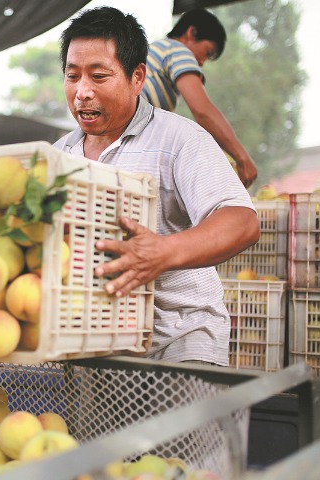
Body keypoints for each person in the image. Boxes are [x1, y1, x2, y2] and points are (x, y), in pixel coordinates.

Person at [55, 6, 260, 365]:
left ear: (137, 78)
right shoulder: (59, 157)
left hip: (180, 343)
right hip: (93, 346)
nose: (82, 92)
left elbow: (242, 222)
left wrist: (163, 253)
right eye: (72, 77)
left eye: (99, 76)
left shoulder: (180, 139)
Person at [141, 9, 258, 188]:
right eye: (208, 52)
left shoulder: (156, 50)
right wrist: (242, 159)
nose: (203, 62)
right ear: (192, 33)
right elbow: (202, 110)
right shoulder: (177, 49)